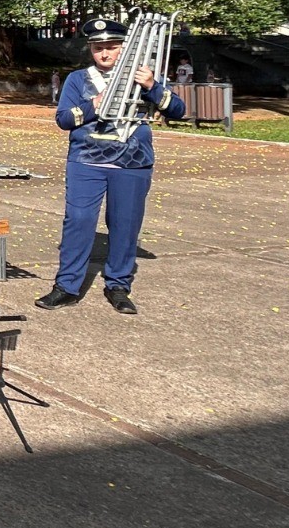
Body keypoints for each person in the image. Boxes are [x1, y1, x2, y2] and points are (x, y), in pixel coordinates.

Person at [37, 18, 186, 315]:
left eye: (112, 47)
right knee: (78, 221)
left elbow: (178, 111)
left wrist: (152, 87)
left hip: (133, 162)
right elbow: (64, 120)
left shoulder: (142, 76)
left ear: (125, 48)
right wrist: (95, 103)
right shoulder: (79, 79)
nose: (104, 54)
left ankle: (118, 285)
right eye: (98, 48)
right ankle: (67, 286)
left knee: (125, 225)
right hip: (86, 161)